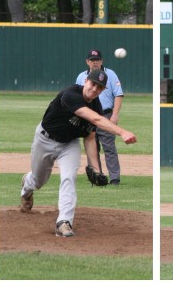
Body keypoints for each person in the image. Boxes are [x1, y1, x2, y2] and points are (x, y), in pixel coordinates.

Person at [20, 69, 137, 237]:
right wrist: (122, 132)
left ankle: (64, 222)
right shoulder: (71, 94)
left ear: (103, 90)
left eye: (100, 87)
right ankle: (27, 185)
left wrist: (95, 168)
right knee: (39, 180)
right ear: (86, 81)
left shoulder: (96, 106)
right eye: (93, 84)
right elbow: (96, 120)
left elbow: (90, 138)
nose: (95, 89)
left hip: (69, 144)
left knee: (69, 177)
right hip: (45, 140)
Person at [76, 49, 123, 185]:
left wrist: (114, 114)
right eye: (92, 60)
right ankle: (97, 176)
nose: (94, 62)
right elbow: (77, 96)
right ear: (87, 62)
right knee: (92, 146)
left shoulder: (110, 74)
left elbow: (118, 94)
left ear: (101, 61)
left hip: (106, 114)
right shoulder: (81, 77)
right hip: (88, 115)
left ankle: (114, 179)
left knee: (109, 147)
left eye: (97, 60)